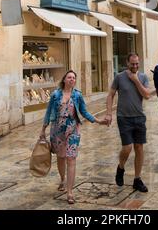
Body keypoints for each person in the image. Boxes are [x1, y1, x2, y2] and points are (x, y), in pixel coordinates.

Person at [39, 70, 107, 205]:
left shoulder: (77, 95)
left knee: (71, 158)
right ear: (64, 80)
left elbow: (84, 111)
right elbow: (48, 113)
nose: (72, 80)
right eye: (69, 77)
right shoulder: (55, 95)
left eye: (74, 78)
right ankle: (62, 179)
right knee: (60, 157)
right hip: (57, 130)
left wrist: (97, 120)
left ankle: (70, 192)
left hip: (73, 129)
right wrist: (43, 130)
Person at [105, 53, 151, 193]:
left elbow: (147, 95)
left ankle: (137, 179)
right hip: (123, 117)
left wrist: (136, 80)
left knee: (139, 147)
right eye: (132, 64)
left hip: (139, 117)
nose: (135, 66)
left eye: (137, 64)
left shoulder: (143, 77)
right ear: (127, 63)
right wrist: (108, 113)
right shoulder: (119, 77)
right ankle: (121, 167)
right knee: (127, 147)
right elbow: (110, 94)